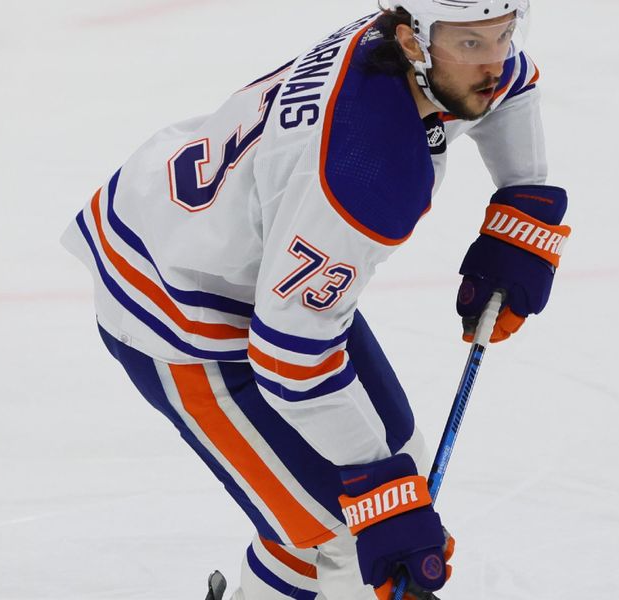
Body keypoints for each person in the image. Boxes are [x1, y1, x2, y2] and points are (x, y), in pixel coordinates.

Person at [61, 0, 571, 597]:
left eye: (503, 34)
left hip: (252, 256)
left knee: (396, 466)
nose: (495, 61)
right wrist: (377, 495)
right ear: (413, 43)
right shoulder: (364, 173)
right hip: (180, 307)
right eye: (470, 45)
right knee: (343, 534)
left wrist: (522, 196)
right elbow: (290, 359)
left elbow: (514, 82)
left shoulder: (423, 50)